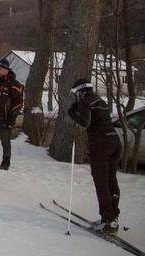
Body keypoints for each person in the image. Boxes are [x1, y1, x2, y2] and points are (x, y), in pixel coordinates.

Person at [68, 79, 121, 235]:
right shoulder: (100, 100)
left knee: (101, 182)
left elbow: (85, 122)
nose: (76, 97)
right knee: (111, 179)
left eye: (76, 94)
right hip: (114, 141)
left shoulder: (85, 101)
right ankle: (112, 216)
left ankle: (109, 219)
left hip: (101, 143)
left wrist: (72, 113)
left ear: (81, 91)